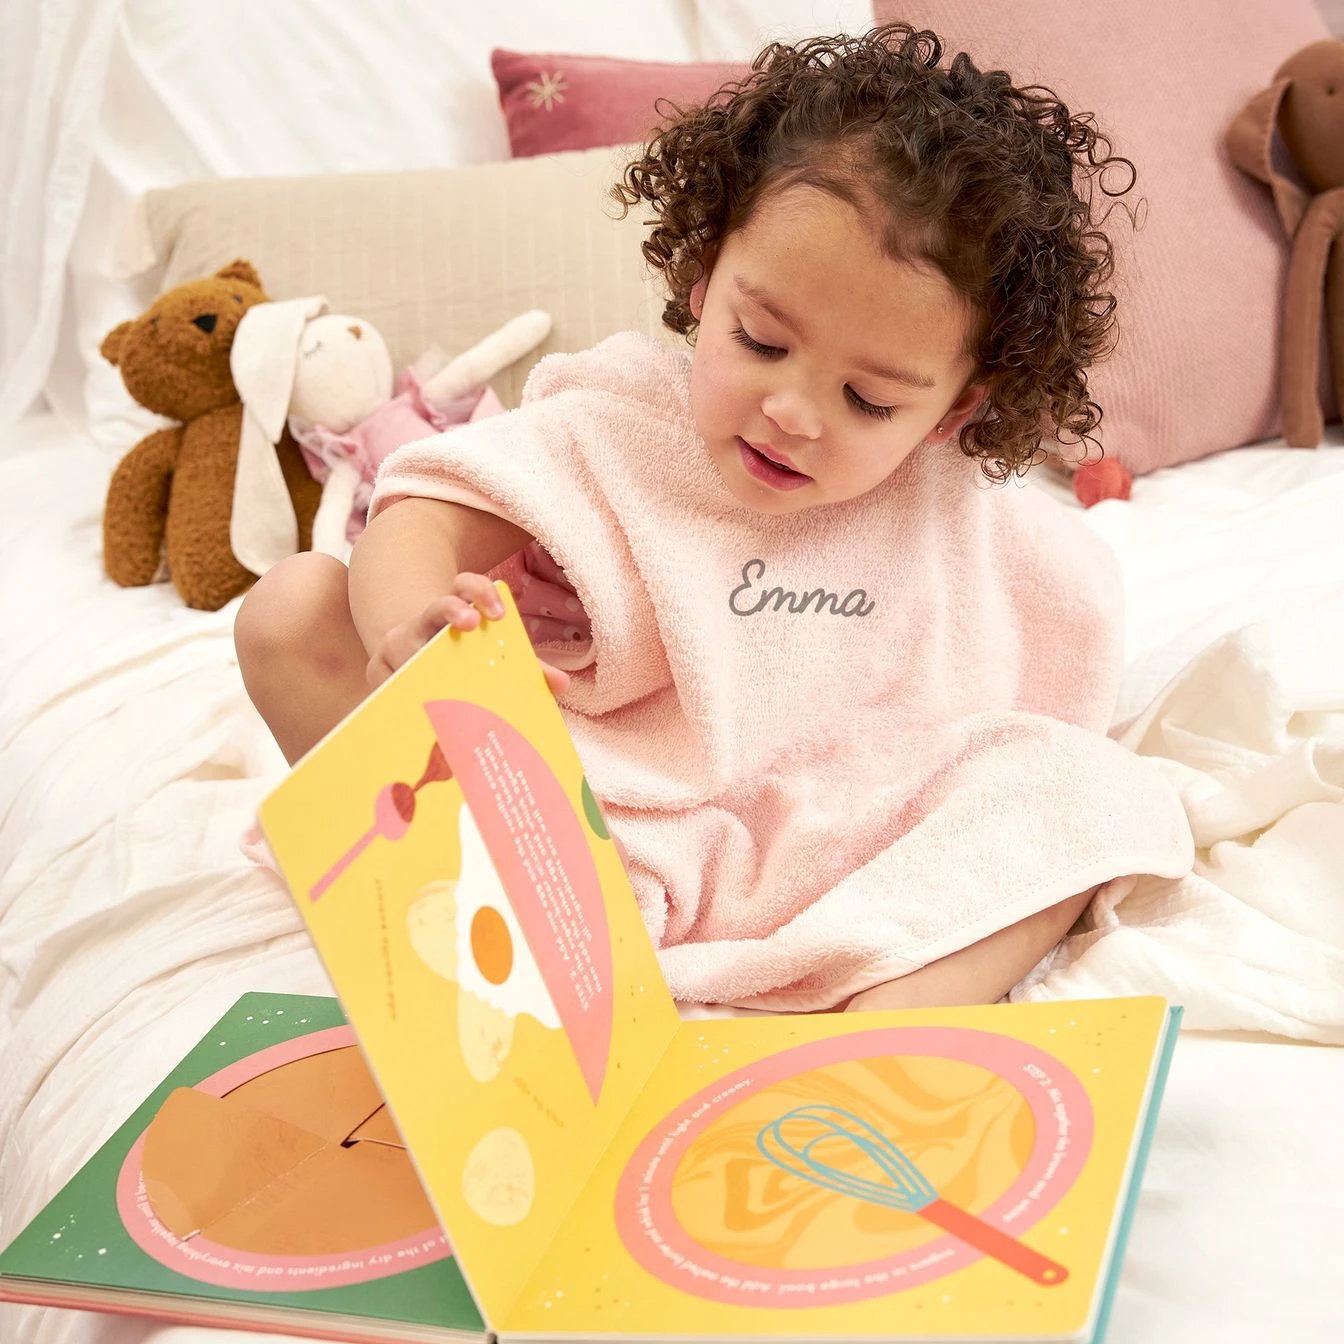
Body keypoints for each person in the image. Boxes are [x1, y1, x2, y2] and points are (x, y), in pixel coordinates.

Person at [235, 24, 1139, 1012]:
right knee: (292, 609)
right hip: (592, 832)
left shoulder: (952, 514)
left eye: (868, 401)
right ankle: (514, 942)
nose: (792, 412)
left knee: (1093, 799)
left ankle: (889, 1021)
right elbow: (430, 511)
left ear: (955, 411)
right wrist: (411, 631)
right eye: (761, 341)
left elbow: (1039, 659)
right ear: (706, 279)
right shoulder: (625, 422)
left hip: (841, 840)